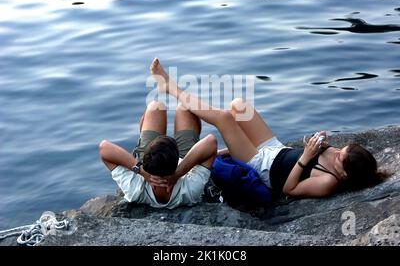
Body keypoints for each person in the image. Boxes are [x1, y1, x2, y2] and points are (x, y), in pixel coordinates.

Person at [149, 58, 386, 198]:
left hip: (262, 167)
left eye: (339, 158)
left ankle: (170, 87)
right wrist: (317, 143)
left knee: (223, 118)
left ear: (344, 174)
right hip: (274, 149)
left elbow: (289, 189)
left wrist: (306, 157)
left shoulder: (328, 182)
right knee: (238, 106)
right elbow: (302, 155)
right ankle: (177, 95)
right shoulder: (336, 159)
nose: (335, 152)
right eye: (340, 150)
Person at [99, 100, 217, 208]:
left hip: (152, 164)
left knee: (155, 106)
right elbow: (211, 141)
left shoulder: (135, 190)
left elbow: (104, 147)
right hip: (185, 162)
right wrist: (177, 174)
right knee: (185, 107)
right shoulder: (190, 189)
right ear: (176, 163)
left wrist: (141, 171)